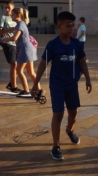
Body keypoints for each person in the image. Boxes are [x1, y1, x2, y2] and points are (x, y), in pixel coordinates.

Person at [30, 11, 92, 161]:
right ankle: (56, 146)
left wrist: (88, 79)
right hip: (57, 85)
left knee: (73, 113)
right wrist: (36, 83)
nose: (71, 29)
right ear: (59, 26)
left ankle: (70, 130)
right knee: (58, 114)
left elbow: (82, 61)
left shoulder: (76, 44)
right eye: (67, 26)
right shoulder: (53, 45)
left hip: (72, 85)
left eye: (72, 26)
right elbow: (43, 63)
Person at [1, 8, 42, 97]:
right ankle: (39, 90)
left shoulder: (20, 24)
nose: (11, 16)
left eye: (13, 15)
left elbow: (14, 38)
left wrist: (3, 39)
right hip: (28, 49)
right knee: (31, 72)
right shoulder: (20, 24)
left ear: (18, 16)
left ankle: (26, 90)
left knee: (19, 71)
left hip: (25, 50)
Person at [0, 0, 20, 93]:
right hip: (7, 43)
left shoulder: (15, 18)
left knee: (20, 66)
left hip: (16, 44)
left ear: (12, 8)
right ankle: (14, 87)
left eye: (8, 8)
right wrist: (11, 29)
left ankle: (11, 83)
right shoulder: (3, 17)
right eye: (5, 7)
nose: (7, 9)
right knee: (13, 65)